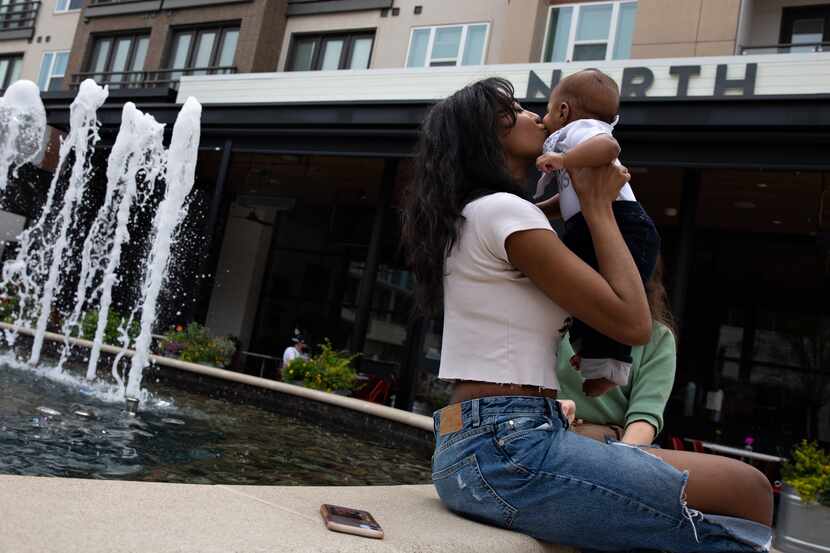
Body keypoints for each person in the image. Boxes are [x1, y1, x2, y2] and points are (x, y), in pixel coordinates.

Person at [401, 77, 772, 552]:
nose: (536, 114)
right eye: (511, 111)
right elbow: (635, 324)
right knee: (749, 490)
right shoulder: (505, 213)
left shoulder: (476, 213)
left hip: (478, 441)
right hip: (507, 447)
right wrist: (598, 207)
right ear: (484, 137)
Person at [536, 69, 660, 398]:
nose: (543, 119)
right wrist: (541, 208)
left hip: (621, 223)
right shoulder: (571, 146)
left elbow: (608, 147)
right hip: (590, 224)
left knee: (609, 297)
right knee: (590, 295)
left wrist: (563, 158)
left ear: (564, 111)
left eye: (547, 111)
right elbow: (568, 197)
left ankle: (608, 368)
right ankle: (594, 357)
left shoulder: (582, 131)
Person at [558, 257, 676, 446]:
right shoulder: (557, 318)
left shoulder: (657, 338)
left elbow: (643, 419)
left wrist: (618, 461)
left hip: (608, 449)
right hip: (547, 436)